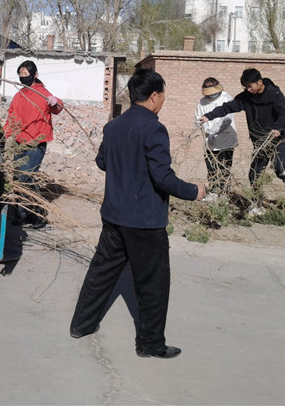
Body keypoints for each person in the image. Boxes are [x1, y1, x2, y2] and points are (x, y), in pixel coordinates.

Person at [70, 68, 205, 359]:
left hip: (114, 215)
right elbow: (162, 177)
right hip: (144, 221)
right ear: (154, 96)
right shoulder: (154, 128)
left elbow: (102, 162)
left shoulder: (114, 126)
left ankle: (81, 325)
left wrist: (126, 166)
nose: (163, 100)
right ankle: (150, 344)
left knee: (101, 273)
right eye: (163, 95)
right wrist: (195, 191)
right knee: (153, 283)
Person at [199, 68, 285, 212]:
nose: (248, 90)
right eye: (245, 87)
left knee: (278, 165)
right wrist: (209, 116)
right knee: (254, 174)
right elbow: (227, 107)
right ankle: (257, 205)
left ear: (260, 82)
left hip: (277, 137)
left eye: (250, 86)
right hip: (260, 141)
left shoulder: (275, 95)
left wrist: (278, 128)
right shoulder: (246, 97)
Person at [3, 60, 63, 228]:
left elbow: (57, 108)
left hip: (36, 144)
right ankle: (21, 214)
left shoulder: (43, 94)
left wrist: (55, 102)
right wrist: (4, 135)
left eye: (26, 74)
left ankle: (38, 215)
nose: (23, 77)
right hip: (19, 143)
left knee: (27, 177)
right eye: (20, 74)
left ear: (34, 75)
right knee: (17, 178)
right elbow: (12, 117)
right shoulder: (19, 95)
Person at [194, 77, 238, 201]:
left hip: (226, 139)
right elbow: (198, 117)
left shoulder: (226, 98)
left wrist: (214, 130)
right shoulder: (202, 102)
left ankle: (224, 193)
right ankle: (213, 191)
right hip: (209, 141)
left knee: (224, 168)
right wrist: (201, 125)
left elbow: (227, 119)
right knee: (211, 168)